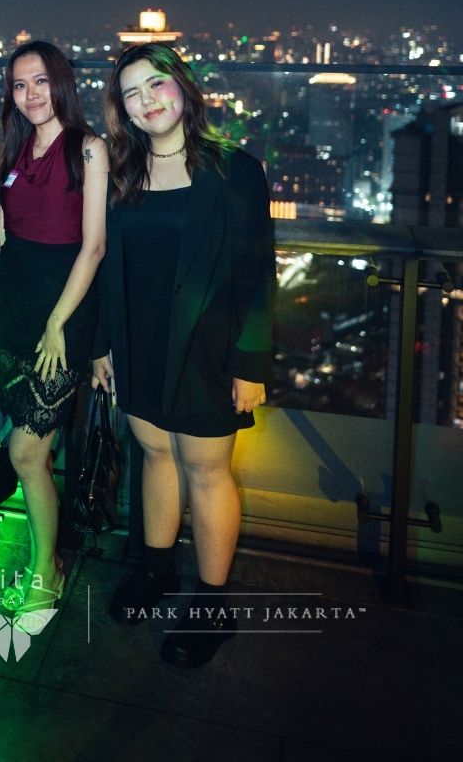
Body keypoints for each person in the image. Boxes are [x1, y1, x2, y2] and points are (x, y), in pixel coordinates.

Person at [92, 45, 274, 667]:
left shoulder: (233, 169)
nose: (146, 101)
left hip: (207, 347)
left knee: (207, 469)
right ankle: (155, 569)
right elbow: (103, 264)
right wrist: (102, 347)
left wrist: (250, 364)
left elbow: (257, 271)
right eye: (131, 93)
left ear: (183, 87)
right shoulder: (121, 170)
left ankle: (213, 604)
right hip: (137, 342)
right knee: (154, 453)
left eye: (156, 84)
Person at [0, 41, 107, 621]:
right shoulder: (12, 148)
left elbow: (94, 246)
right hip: (13, 310)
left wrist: (59, 323)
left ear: (60, 83)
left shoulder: (89, 149)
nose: (30, 94)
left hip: (61, 317)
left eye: (40, 81)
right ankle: (46, 557)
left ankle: (46, 567)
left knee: (26, 449)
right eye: (19, 85)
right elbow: (0, 234)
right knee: (31, 451)